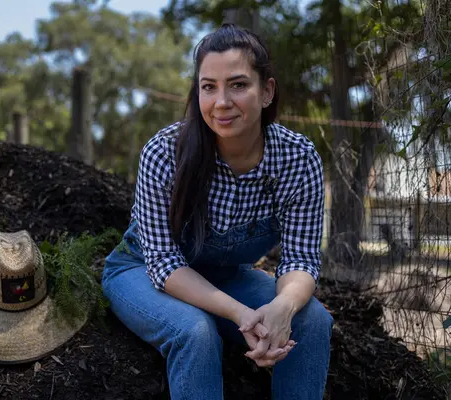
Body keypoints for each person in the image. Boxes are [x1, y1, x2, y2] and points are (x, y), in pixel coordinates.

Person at [102, 23, 333, 400]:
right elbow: (162, 263)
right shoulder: (165, 153)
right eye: (209, 86)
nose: (221, 101)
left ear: (266, 91)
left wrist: (282, 306)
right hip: (142, 271)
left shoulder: (297, 159)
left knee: (312, 320)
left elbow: (301, 260)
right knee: (195, 331)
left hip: (226, 276)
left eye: (238, 85)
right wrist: (241, 314)